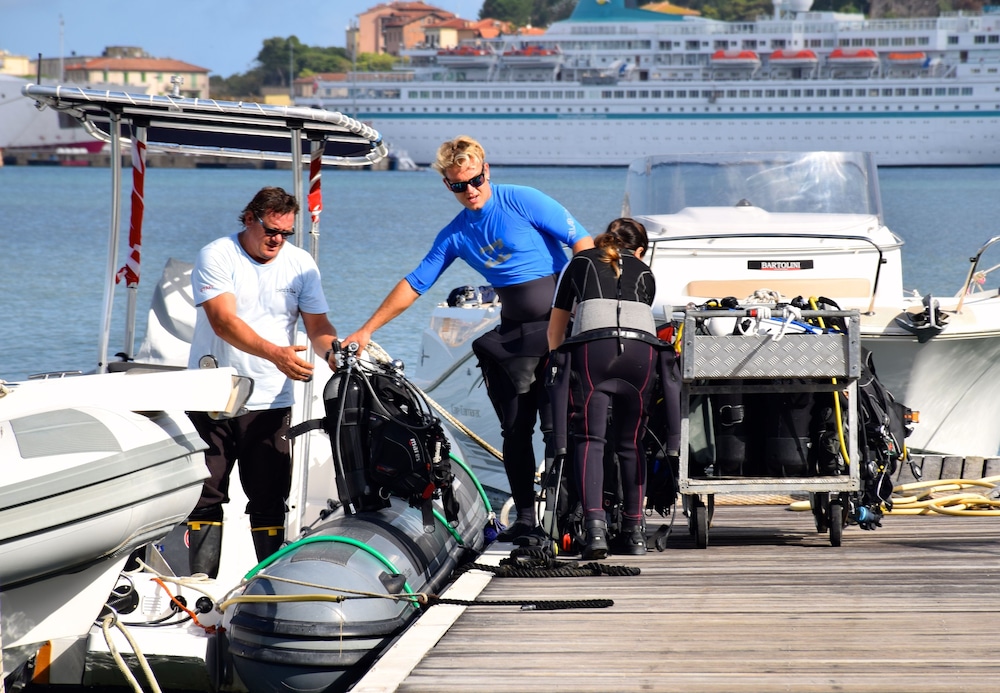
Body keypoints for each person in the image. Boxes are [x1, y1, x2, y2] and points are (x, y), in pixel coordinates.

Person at [342, 135, 593, 543]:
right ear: (447, 185)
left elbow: (584, 243)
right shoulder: (456, 234)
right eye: (459, 186)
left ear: (486, 170)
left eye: (475, 180)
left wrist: (583, 310)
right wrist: (368, 329)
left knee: (559, 429)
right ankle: (527, 519)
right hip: (514, 335)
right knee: (515, 430)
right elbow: (416, 282)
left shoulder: (523, 200)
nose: (470, 191)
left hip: (557, 329)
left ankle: (574, 513)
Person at [185, 186, 339, 578]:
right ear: (250, 218)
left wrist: (336, 354)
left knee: (270, 499)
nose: (277, 240)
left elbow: (318, 326)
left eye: (285, 233)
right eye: (271, 230)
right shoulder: (217, 254)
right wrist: (278, 354)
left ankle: (267, 583)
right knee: (206, 495)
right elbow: (223, 321)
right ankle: (202, 585)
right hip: (213, 396)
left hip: (272, 402)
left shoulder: (301, 264)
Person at [547, 218, 659, 559]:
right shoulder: (645, 272)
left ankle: (595, 530)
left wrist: (556, 363)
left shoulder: (579, 262)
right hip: (641, 357)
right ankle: (635, 531)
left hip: (593, 356)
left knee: (590, 440)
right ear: (639, 250)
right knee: (630, 443)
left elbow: (557, 328)